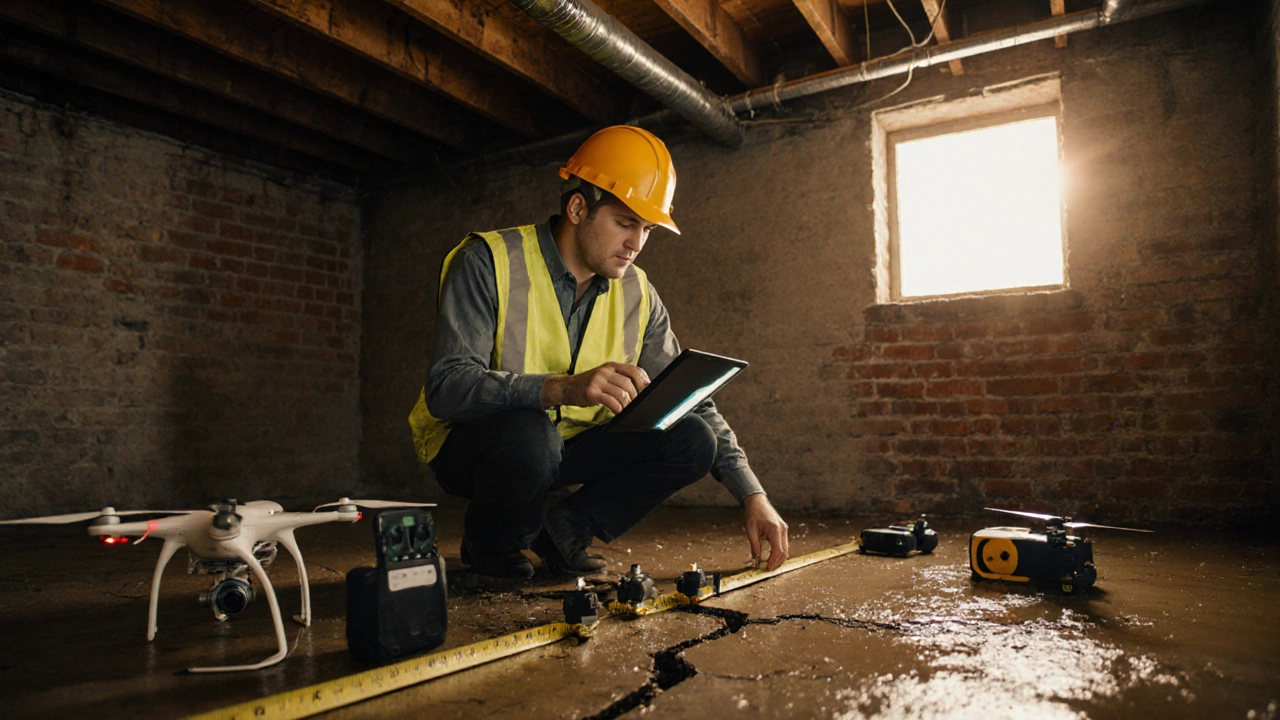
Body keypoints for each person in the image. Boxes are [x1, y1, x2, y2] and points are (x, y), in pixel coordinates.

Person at [408, 125, 789, 580]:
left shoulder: (639, 294)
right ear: (577, 207)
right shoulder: (487, 260)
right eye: (625, 223)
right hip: (479, 447)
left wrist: (752, 494)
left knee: (692, 439)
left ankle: (565, 529)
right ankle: (493, 544)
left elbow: (692, 399)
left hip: (565, 448)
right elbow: (447, 388)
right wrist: (562, 388)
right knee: (531, 436)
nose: (637, 244)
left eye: (646, 228)